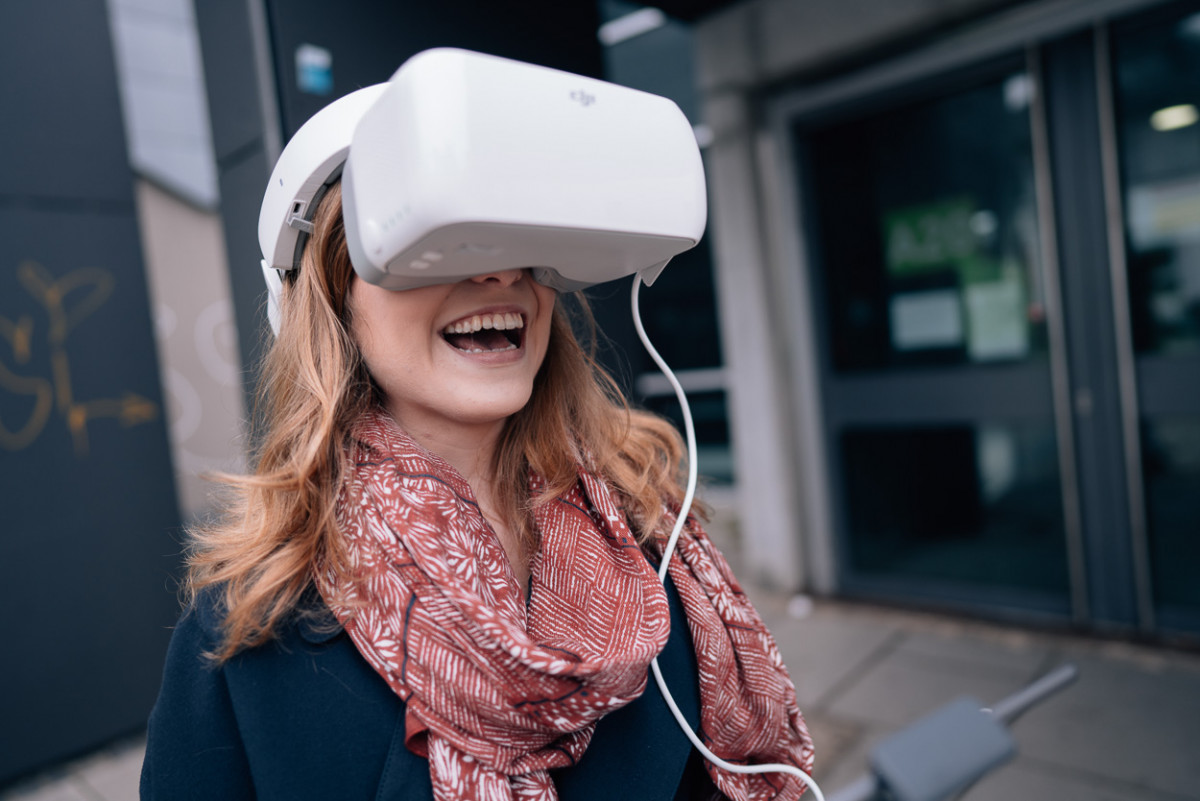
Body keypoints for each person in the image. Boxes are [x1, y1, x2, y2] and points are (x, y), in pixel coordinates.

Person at [141, 90, 814, 801]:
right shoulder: (245, 634)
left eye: (519, 238)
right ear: (334, 295)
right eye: (436, 244)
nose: (500, 273)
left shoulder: (653, 531)